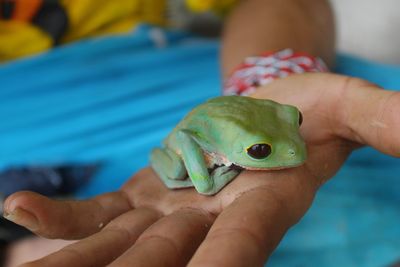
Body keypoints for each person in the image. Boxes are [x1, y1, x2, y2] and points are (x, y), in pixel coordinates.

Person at [2, 0, 400, 266]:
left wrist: (269, 78)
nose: (296, 147)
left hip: (211, 84)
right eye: (261, 151)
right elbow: (188, 142)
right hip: (179, 148)